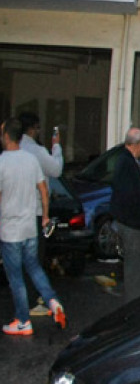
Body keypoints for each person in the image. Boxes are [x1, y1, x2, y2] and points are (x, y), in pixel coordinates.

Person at [0, 118, 66, 335]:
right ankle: (52, 300)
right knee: (34, 267)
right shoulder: (31, 159)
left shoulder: (2, 162)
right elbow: (44, 190)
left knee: (16, 277)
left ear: (6, 136)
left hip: (10, 229)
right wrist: (45, 216)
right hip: (30, 225)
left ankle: (22, 320)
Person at [110, 128, 140, 300]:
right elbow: (130, 195)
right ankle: (134, 303)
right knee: (135, 267)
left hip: (130, 222)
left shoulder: (124, 161)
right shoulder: (127, 163)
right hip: (132, 223)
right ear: (138, 144)